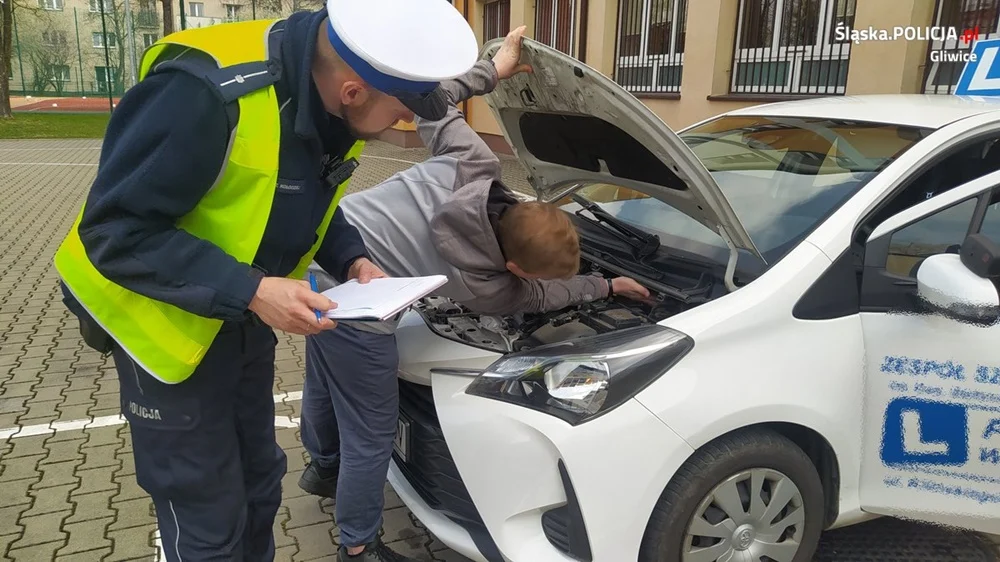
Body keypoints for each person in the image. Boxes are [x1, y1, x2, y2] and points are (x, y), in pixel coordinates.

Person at [51, 1, 479, 560]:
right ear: (353, 92)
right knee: (207, 516)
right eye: (399, 113)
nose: (400, 125)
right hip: (160, 327)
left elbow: (303, 192)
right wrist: (253, 290)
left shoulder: (324, 91)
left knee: (260, 483)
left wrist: (351, 257)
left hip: (238, 315)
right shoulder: (204, 96)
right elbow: (112, 230)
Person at [295, 27, 650, 560]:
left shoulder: (476, 163)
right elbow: (538, 300)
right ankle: (358, 547)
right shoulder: (485, 283)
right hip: (361, 297)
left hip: (318, 251)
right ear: (515, 267)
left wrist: (494, 71)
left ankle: (323, 467)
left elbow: (432, 100)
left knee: (325, 375)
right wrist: (605, 286)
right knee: (371, 433)